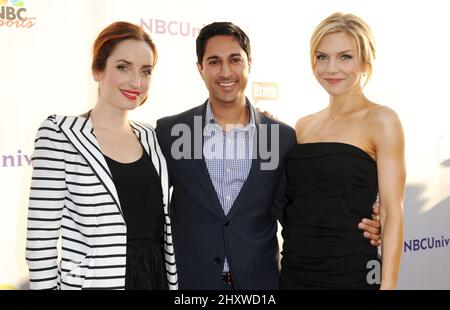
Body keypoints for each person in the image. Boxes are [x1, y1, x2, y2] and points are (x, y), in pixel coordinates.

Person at [156, 21, 381, 290]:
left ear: (249, 63)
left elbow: (299, 208)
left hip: (260, 283)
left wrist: (365, 222)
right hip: (191, 283)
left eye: (235, 59)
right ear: (200, 68)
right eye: (214, 61)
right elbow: (150, 209)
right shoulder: (172, 132)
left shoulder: (280, 137)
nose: (225, 71)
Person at [25, 21, 177, 290]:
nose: (137, 82)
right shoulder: (60, 133)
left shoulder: (152, 136)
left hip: (157, 279)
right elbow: (41, 241)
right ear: (97, 70)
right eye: (123, 67)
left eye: (146, 71)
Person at [280, 12, 405, 290]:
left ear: (365, 62)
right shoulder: (302, 126)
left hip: (351, 268)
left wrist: (388, 286)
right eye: (322, 56)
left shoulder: (382, 120)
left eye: (345, 56)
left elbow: (392, 211)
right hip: (295, 268)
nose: (331, 68)